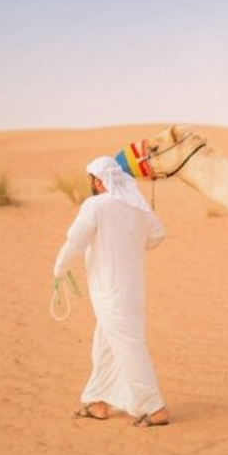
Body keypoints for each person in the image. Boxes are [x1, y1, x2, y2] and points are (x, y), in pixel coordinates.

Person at [52, 156, 170, 427]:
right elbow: (157, 235)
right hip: (132, 291)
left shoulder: (95, 205)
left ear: (98, 181)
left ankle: (155, 408)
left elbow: (75, 241)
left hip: (111, 292)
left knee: (129, 346)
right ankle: (98, 401)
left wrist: (59, 268)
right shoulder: (136, 207)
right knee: (104, 343)